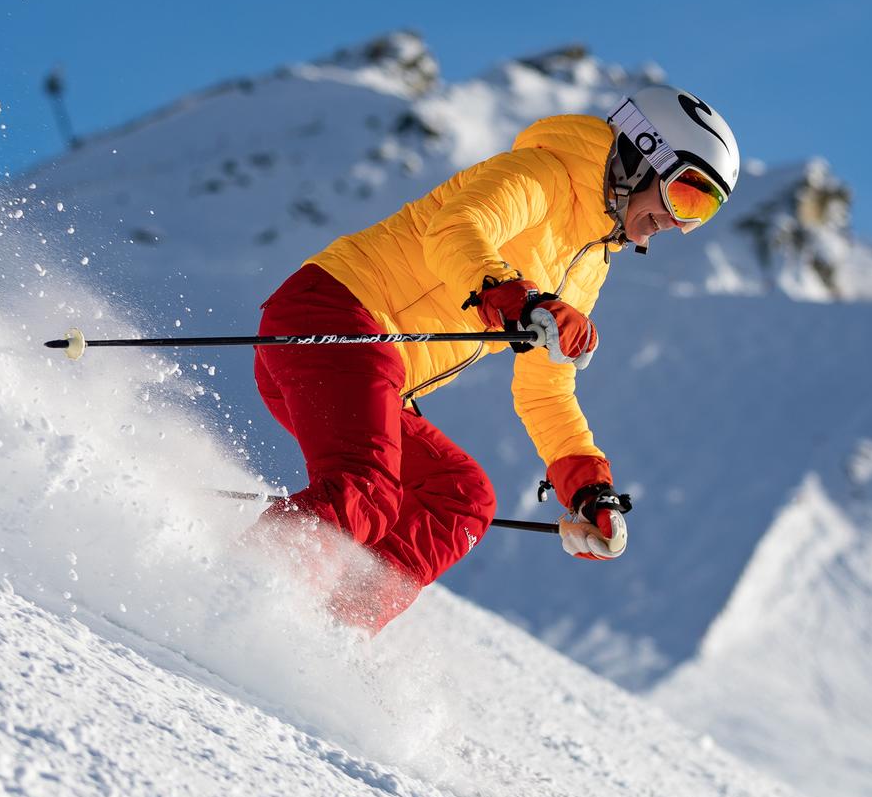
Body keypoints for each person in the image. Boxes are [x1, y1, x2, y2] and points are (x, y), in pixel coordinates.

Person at [251, 85, 741, 630]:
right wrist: (518, 298)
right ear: (641, 156)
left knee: (459, 497)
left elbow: (544, 389)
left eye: (702, 212)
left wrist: (587, 487)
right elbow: (454, 228)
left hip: (373, 374)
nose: (678, 223)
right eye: (684, 195)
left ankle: (330, 630)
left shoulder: (588, 262)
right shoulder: (544, 174)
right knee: (367, 492)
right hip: (335, 315)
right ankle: (241, 588)